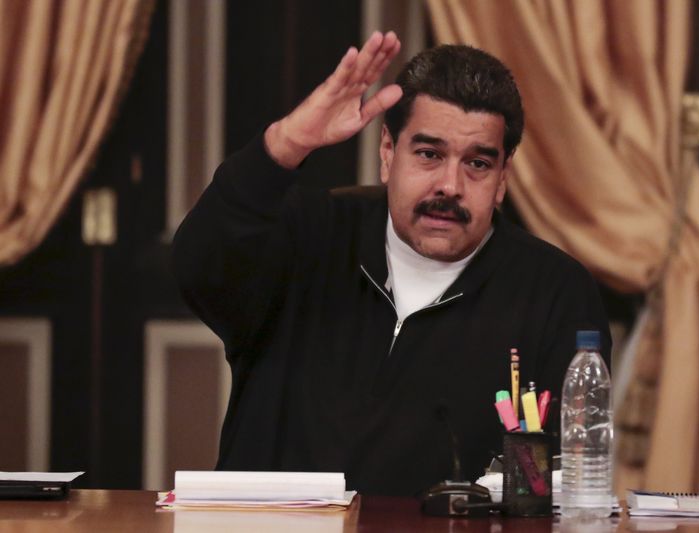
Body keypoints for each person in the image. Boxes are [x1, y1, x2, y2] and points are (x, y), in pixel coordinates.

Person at [172, 31, 610, 496]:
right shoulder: (305, 235)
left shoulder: (555, 292)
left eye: (477, 164)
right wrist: (284, 145)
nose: (450, 185)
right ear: (387, 152)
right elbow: (198, 268)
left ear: (503, 178)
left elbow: (566, 484)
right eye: (429, 154)